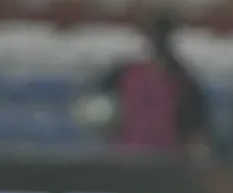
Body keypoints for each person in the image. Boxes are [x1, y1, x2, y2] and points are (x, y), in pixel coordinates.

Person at [75, 13, 211, 156]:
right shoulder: (125, 72)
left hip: (165, 156)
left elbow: (194, 126)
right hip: (126, 152)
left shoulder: (183, 80)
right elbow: (94, 99)